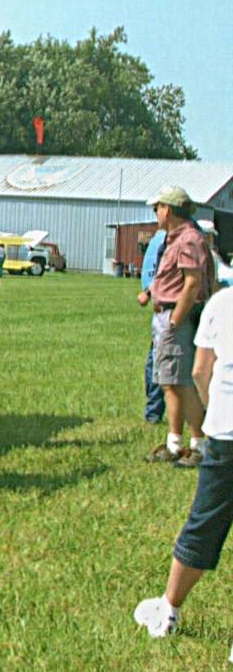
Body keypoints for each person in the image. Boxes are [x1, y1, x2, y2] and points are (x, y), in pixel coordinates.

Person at [132, 284, 233, 639]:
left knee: (204, 521)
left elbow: (200, 371)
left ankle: (169, 609)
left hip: (226, 433)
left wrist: (214, 407)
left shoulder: (221, 303)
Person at [144, 186, 211, 468]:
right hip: (166, 316)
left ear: (167, 209)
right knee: (169, 383)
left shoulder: (188, 240)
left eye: (156, 208)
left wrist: (174, 321)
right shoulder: (175, 240)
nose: (155, 213)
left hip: (175, 318)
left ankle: (198, 444)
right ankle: (174, 443)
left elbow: (192, 283)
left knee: (182, 384)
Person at [139, 230, 169, 424]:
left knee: (158, 363)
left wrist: (150, 293)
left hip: (170, 312)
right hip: (166, 310)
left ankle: (154, 413)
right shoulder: (162, 239)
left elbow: (164, 274)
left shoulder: (169, 239)